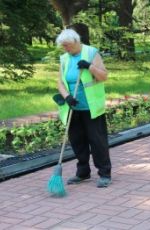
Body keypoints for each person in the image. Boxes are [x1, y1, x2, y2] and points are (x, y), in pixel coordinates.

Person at [55, 28, 112, 188]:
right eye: (63, 46)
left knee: (97, 141)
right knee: (77, 141)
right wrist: (67, 96)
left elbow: (103, 76)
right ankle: (83, 173)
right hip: (73, 107)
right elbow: (59, 81)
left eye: (67, 45)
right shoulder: (64, 58)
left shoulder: (91, 52)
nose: (66, 49)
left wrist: (89, 66)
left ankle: (105, 173)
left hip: (91, 107)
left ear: (76, 41)